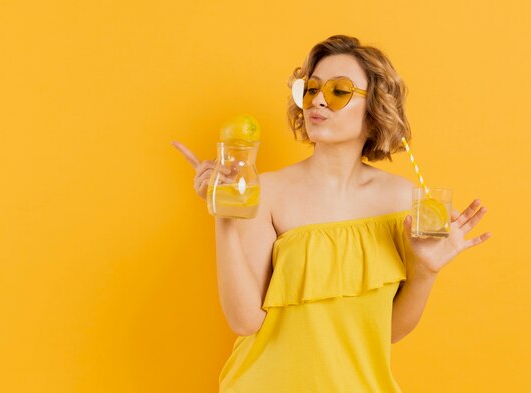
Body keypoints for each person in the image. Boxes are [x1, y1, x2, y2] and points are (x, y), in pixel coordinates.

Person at [172, 35, 491, 393]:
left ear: (375, 109)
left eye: (339, 91)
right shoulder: (268, 192)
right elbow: (245, 320)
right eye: (310, 89)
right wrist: (224, 213)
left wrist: (426, 272)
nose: (318, 100)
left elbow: (386, 331)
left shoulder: (404, 200)